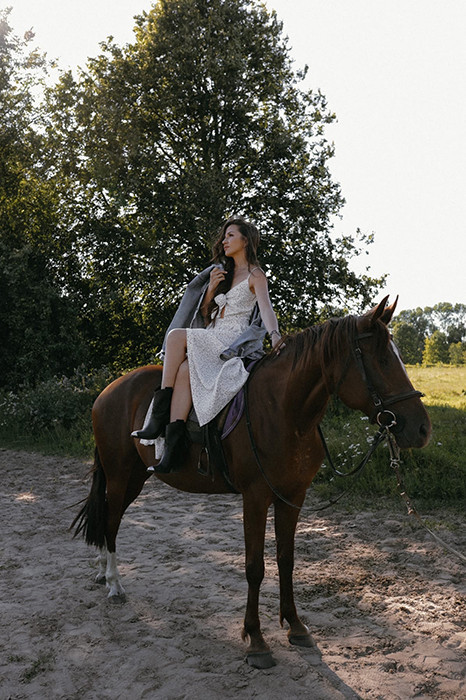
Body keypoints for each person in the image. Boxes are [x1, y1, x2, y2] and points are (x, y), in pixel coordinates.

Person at [132, 217, 282, 473]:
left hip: (231, 338)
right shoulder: (223, 273)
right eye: (224, 236)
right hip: (213, 333)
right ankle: (172, 449)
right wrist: (212, 288)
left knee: (175, 336)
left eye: (230, 235)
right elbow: (206, 314)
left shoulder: (256, 275)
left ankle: (158, 415)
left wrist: (275, 336)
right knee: (183, 371)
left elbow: (266, 309)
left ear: (246, 241)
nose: (224, 241)